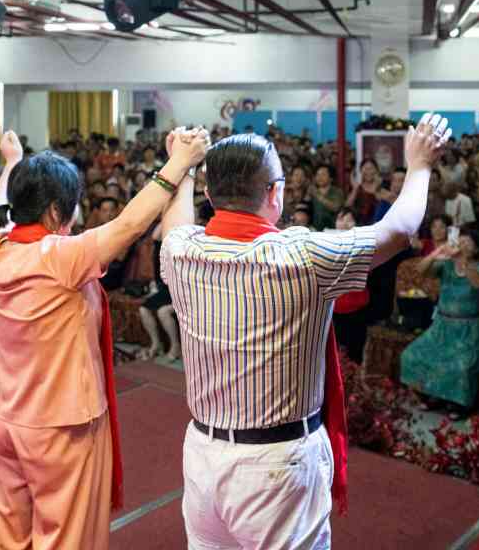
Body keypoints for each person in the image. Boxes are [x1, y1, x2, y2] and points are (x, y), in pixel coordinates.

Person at [160, 114, 450, 549]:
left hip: (203, 453)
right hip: (278, 463)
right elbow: (399, 230)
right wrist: (420, 164)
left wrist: (180, 165)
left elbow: (175, 223)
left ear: (209, 194)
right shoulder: (303, 256)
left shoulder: (181, 251)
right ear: (274, 192)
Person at [0, 128, 209, 550]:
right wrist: (180, 162)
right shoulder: (60, 257)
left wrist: (12, 161)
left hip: (9, 421)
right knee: (66, 537)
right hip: (62, 427)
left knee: (12, 530)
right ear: (55, 210)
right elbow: (130, 224)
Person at [400, 227, 479, 420]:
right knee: (411, 355)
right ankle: (432, 396)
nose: (462, 245)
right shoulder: (447, 265)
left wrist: (462, 261)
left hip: (467, 331)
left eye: (468, 242)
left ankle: (459, 405)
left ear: (477, 249)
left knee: (460, 367)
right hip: (441, 327)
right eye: (460, 241)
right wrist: (437, 252)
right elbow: (420, 270)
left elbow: (478, 283)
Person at [332, 208, 371, 364]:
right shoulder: (327, 242)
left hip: (356, 306)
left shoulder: (363, 246)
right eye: (340, 219)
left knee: (354, 352)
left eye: (349, 220)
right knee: (333, 352)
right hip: (333, 306)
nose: (344, 224)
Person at [137, 224, 180, 361]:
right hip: (165, 290)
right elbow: (155, 235)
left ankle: (175, 347)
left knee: (163, 312)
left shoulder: (181, 248)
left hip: (181, 291)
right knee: (143, 309)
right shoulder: (160, 246)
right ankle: (156, 344)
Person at [310, 164, 345, 230]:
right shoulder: (311, 191)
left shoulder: (337, 191)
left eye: (323, 174)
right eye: (317, 174)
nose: (320, 177)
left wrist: (318, 196)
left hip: (332, 229)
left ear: (331, 178)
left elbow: (335, 207)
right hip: (314, 229)